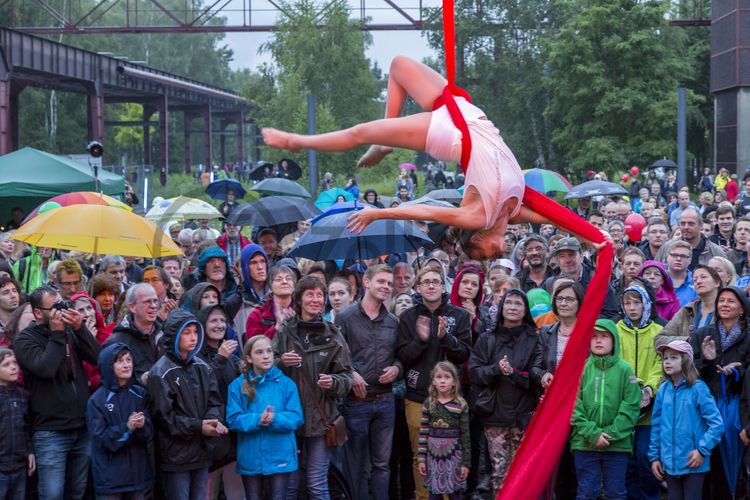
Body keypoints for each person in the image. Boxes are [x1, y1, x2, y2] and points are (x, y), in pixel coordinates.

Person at [262, 55, 553, 260]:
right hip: (468, 114)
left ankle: (295, 141)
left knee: (360, 132)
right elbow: (552, 215)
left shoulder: (475, 215)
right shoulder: (511, 213)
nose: (498, 254)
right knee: (398, 66)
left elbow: (425, 212)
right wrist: (589, 235)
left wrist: (379, 213)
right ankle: (384, 143)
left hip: (454, 135)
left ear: (478, 237)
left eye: (489, 254)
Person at [14, 286, 102, 499]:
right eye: (55, 307)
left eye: (63, 304)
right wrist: (57, 334)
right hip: (50, 432)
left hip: (81, 427)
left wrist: (80, 328)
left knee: (77, 490)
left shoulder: (70, 331)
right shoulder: (25, 339)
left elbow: (98, 358)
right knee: (52, 494)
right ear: (38, 313)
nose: (61, 311)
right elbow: (46, 369)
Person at [273, 276, 354, 500]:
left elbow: (347, 376)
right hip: (289, 420)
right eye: (310, 294)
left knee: (317, 484)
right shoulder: (284, 332)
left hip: (321, 419)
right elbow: (265, 369)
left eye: (320, 295)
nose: (316, 299)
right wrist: (280, 363)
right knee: (289, 485)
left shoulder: (334, 334)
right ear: (299, 299)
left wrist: (334, 382)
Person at [396, 266, 471, 500]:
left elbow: (465, 354)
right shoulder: (408, 317)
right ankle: (422, 496)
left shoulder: (459, 316)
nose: (430, 285)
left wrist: (445, 338)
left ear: (443, 286)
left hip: (450, 400)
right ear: (417, 287)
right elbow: (403, 356)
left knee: (450, 451)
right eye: (425, 282)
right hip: (417, 396)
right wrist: (421, 340)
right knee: (420, 455)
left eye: (435, 282)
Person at [468, 289, 543, 495]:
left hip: (524, 416)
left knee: (525, 472)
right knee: (499, 474)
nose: (512, 307)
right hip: (495, 417)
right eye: (508, 302)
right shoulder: (487, 338)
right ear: (501, 308)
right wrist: (495, 369)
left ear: (525, 310)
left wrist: (513, 373)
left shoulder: (534, 339)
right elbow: (474, 373)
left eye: (518, 304)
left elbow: (537, 376)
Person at [147, 309, 227, 500]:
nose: (193, 337)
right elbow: (164, 418)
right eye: (187, 332)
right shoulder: (161, 372)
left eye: (195, 332)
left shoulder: (202, 366)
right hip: (176, 455)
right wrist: (199, 426)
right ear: (174, 335)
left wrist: (214, 422)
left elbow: (215, 401)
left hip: (202, 450)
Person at [335, 264, 400, 500]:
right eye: (381, 281)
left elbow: (401, 356)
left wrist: (397, 368)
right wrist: (350, 372)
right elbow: (334, 356)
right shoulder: (345, 318)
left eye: (390, 284)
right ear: (366, 282)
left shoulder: (393, 321)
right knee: (357, 466)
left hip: (385, 401)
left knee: (382, 465)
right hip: (356, 403)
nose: (386, 287)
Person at [689, 286, 750, 498]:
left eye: (731, 301)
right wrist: (707, 360)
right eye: (721, 300)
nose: (724, 304)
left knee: (734, 466)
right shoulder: (702, 334)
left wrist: (738, 371)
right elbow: (689, 371)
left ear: (742, 308)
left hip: (736, 409)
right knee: (708, 464)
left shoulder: (749, 336)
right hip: (706, 408)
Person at [226, 335, 303, 500]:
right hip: (250, 455)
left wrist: (274, 418)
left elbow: (296, 417)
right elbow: (233, 419)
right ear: (249, 358)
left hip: (279, 454)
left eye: (269, 351)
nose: (266, 356)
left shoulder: (287, 384)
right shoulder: (236, 386)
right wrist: (257, 420)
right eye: (259, 352)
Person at [571, 319, 640, 500]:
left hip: (617, 444)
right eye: (594, 336)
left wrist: (610, 434)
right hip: (585, 443)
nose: (598, 340)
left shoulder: (625, 370)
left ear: (614, 340)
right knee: (586, 492)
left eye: (604, 336)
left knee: (615, 493)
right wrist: (592, 433)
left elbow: (631, 406)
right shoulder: (581, 368)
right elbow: (573, 405)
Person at [648, 340, 724, 500]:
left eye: (674, 357)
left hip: (693, 463)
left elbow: (717, 425)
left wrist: (702, 450)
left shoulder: (698, 388)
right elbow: (656, 426)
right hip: (669, 465)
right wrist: (655, 457)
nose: (667, 361)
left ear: (686, 361)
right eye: (665, 358)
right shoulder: (663, 390)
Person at [86, 343, 154, 500]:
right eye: (120, 361)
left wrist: (143, 426)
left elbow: (149, 436)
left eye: (129, 360)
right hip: (109, 480)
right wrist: (128, 427)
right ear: (108, 365)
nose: (126, 365)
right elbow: (102, 440)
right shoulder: (97, 401)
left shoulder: (140, 394)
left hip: (137, 477)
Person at [615, 283, 664, 500]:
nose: (632, 307)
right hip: (622, 407)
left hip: (649, 411)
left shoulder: (658, 331)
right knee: (627, 461)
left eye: (637, 302)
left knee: (646, 457)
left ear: (646, 304)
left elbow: (660, 363)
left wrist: (648, 388)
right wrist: (627, 387)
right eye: (627, 303)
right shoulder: (615, 330)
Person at [196, 305, 243, 500]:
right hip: (209, 437)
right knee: (207, 493)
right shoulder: (195, 356)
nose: (220, 325)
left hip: (232, 435)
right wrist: (220, 358)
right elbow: (204, 388)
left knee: (237, 494)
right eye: (214, 320)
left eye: (223, 321)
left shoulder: (232, 357)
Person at [417, 361, 471, 500]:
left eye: (447, 377)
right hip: (433, 459)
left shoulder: (460, 404)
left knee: (455, 495)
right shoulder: (429, 403)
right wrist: (422, 459)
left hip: (454, 459)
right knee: (434, 496)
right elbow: (423, 432)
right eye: (438, 377)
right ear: (433, 381)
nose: (442, 381)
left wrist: (466, 463)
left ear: (454, 381)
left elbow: (465, 435)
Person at [104, 283, 163, 386]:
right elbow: (111, 384)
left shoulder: (165, 334)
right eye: (147, 302)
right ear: (132, 307)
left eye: (155, 301)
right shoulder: (116, 342)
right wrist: (141, 382)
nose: (153, 306)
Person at [656, 265, 721, 346]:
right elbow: (659, 340)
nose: (698, 281)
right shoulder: (687, 310)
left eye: (703, 277)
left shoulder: (726, 309)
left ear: (717, 282)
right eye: (695, 279)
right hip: (688, 358)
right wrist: (688, 340)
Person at [0, 348, 34, 500]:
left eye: (14, 362)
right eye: (6, 364)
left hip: (19, 468)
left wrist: (30, 451)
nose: (13, 367)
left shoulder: (23, 395)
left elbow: (27, 427)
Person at [245, 265, 296, 341]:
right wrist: (277, 326)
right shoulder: (256, 316)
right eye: (279, 279)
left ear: (294, 286)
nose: (284, 282)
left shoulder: (302, 311)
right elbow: (255, 348)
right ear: (270, 288)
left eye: (288, 279)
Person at [234, 244, 269, 339]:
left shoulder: (275, 296)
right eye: (253, 263)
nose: (260, 267)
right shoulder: (236, 301)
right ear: (245, 267)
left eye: (263, 261)